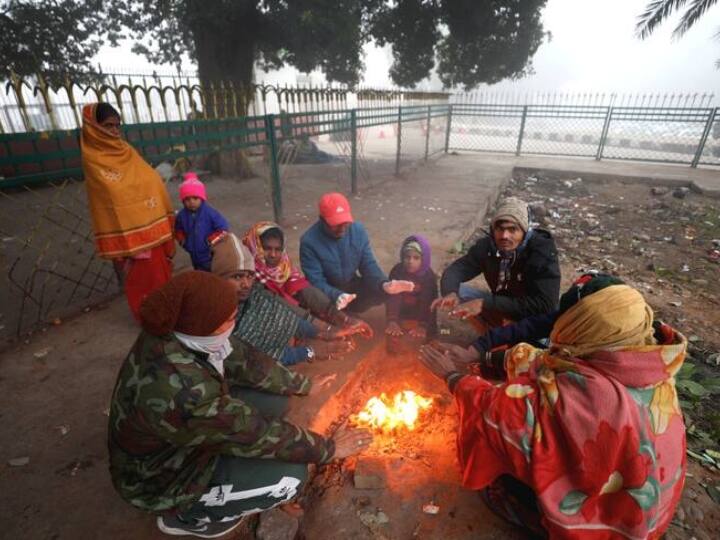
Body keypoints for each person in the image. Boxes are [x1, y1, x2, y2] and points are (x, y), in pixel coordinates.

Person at [108, 271, 372, 538]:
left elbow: (244, 359)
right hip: (160, 479)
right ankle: (186, 515)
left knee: (274, 398)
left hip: (187, 438)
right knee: (291, 478)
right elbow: (254, 432)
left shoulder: (181, 331)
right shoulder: (184, 389)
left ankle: (226, 472)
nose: (235, 321)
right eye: (229, 319)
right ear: (205, 325)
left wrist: (301, 385)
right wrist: (329, 448)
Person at [419, 278, 687, 539]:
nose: (558, 325)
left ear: (583, 325)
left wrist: (454, 378)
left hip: (616, 524)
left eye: (568, 320)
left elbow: (498, 413)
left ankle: (527, 511)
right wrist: (479, 355)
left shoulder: (593, 395)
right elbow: (548, 360)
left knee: (496, 457)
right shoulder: (643, 356)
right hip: (654, 509)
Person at [80, 102, 175, 320]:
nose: (114, 131)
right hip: (129, 235)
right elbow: (113, 194)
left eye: (117, 126)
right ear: (93, 127)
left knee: (161, 276)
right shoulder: (94, 159)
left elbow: (148, 177)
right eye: (108, 125)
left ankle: (167, 314)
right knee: (141, 280)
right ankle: (150, 319)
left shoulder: (126, 150)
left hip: (153, 224)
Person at [212, 233, 360, 365]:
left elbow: (283, 314)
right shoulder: (221, 317)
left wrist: (322, 332)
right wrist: (310, 351)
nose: (245, 284)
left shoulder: (254, 292)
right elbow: (261, 360)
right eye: (237, 276)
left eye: (250, 275)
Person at [432, 197, 560, 332]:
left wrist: (485, 303)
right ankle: (492, 334)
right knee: (460, 292)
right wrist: (451, 292)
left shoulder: (541, 251)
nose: (504, 236)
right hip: (502, 305)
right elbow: (456, 270)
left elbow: (545, 305)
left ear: (524, 231)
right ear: (493, 230)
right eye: (500, 229)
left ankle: (504, 339)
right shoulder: (488, 247)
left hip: (533, 317)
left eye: (512, 230)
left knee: (532, 346)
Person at [242, 221, 371, 337]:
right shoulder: (247, 275)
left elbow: (303, 289)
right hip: (255, 324)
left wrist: (341, 317)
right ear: (255, 246)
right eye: (267, 248)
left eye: (278, 249)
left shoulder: (283, 267)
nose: (273, 255)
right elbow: (276, 304)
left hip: (291, 313)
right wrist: (323, 327)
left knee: (304, 290)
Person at [300, 192, 413, 314]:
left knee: (384, 291)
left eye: (345, 222)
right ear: (322, 220)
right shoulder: (309, 241)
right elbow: (316, 281)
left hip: (351, 284)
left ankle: (351, 310)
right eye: (336, 224)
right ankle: (338, 314)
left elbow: (368, 265)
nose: (342, 229)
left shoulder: (358, 231)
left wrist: (384, 284)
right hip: (327, 290)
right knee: (313, 296)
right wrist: (336, 295)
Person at [385, 235, 438, 353]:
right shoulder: (397, 271)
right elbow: (393, 297)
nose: (410, 261)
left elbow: (429, 302)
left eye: (416, 258)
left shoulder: (428, 277)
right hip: (402, 310)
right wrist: (392, 320)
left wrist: (423, 325)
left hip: (423, 312)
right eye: (407, 257)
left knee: (426, 343)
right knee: (394, 339)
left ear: (424, 259)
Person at [174, 172, 230, 272]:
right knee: (199, 273)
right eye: (187, 199)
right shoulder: (181, 215)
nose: (191, 202)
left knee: (213, 273)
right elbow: (178, 228)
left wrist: (211, 240)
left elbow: (224, 229)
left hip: (210, 254)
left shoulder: (210, 213)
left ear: (201, 198)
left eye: (195, 198)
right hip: (193, 254)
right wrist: (182, 240)